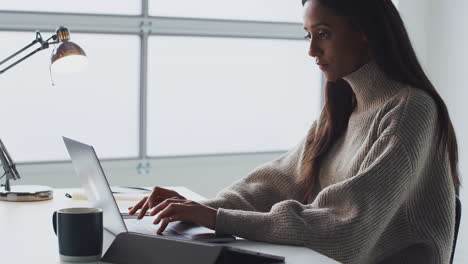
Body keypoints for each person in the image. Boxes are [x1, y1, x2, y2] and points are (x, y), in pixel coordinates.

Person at [129, 0, 460, 263]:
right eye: (308, 35)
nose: (312, 50)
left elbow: (347, 226)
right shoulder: (344, 107)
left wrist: (217, 218)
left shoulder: (410, 110)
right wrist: (197, 209)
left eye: (324, 33)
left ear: (364, 32)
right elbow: (274, 184)